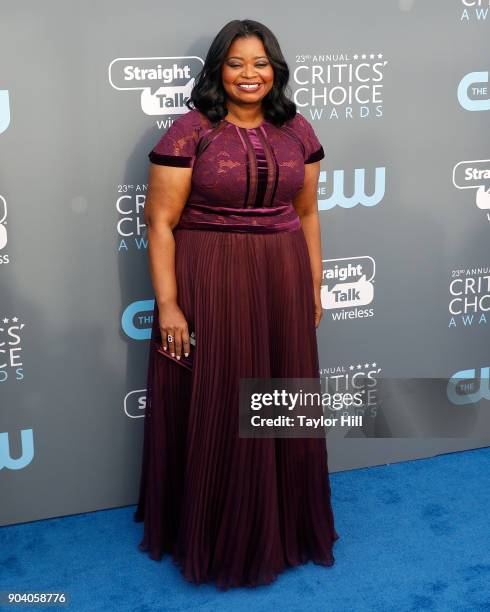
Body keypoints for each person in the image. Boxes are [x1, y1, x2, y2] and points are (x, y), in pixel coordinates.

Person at [133, 18, 339, 590]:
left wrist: (313, 284)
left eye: (260, 63)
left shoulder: (297, 129)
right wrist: (169, 304)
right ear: (218, 70)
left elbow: (308, 214)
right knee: (223, 398)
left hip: (281, 271)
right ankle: (218, 531)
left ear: (275, 69)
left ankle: (286, 525)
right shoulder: (189, 132)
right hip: (212, 275)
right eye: (236, 63)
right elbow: (160, 222)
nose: (250, 74)